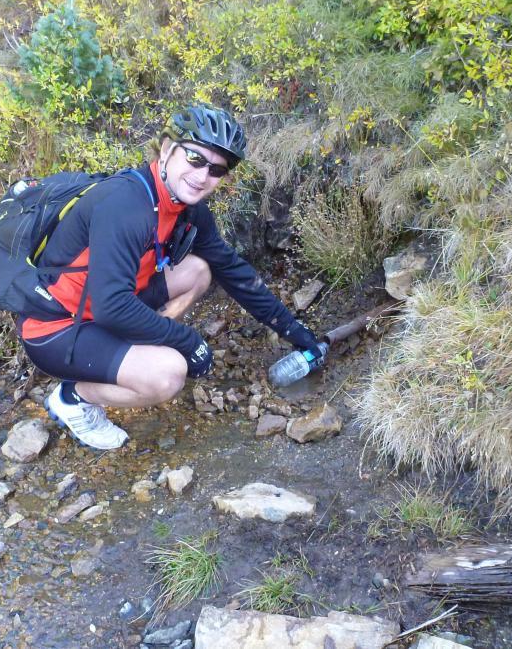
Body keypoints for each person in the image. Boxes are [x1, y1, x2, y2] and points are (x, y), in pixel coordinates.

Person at [18, 104, 324, 449]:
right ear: (166, 150)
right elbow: (110, 306)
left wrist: (294, 331)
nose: (202, 175)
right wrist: (185, 341)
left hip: (108, 306)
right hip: (57, 326)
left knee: (198, 271)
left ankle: (135, 351)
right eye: (194, 158)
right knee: (169, 375)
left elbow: (234, 272)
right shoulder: (125, 206)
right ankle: (74, 398)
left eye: (217, 169)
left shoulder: (186, 208)